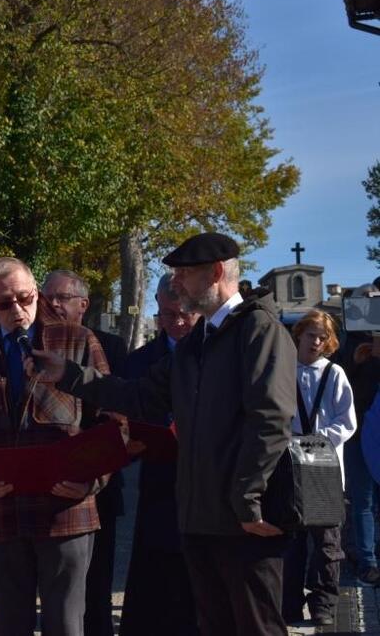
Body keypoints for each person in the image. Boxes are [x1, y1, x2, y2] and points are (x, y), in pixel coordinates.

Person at [31, 232, 297, 636]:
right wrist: (70, 375)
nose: (176, 284)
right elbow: (140, 396)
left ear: (217, 272)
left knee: (255, 626)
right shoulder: (196, 343)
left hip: (245, 522)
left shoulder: (259, 331)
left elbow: (270, 419)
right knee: (216, 626)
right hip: (199, 519)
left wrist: (248, 498)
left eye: (185, 274)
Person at [0, 257, 113, 636]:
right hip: (0, 512)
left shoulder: (77, 341)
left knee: (66, 626)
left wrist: (92, 480)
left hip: (66, 512)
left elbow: (116, 422)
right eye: (4, 304)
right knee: (9, 625)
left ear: (36, 291)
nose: (17, 310)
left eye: (25, 297)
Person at [40, 269, 127, 636]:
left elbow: (118, 414)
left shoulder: (107, 345)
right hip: (45, 488)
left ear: (83, 304)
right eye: (49, 298)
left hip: (97, 482)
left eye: (62, 298)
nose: (54, 305)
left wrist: (93, 470)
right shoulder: (33, 345)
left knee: (96, 586)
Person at [119, 274, 200, 636]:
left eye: (185, 314)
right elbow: (123, 414)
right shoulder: (139, 362)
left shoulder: (216, 354)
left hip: (205, 487)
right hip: (157, 483)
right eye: (168, 315)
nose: (178, 322)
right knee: (156, 586)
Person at [281, 310, 356, 626]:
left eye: (322, 337)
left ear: (329, 342)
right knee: (292, 541)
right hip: (290, 462)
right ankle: (289, 604)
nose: (315, 342)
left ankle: (323, 603)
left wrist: (319, 438)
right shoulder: (284, 371)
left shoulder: (335, 373)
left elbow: (347, 421)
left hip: (324, 466)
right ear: (298, 335)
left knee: (327, 543)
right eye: (311, 334)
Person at [341, 330, 380, 584]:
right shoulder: (354, 340)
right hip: (358, 436)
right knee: (362, 502)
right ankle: (369, 563)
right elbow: (342, 388)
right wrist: (354, 362)